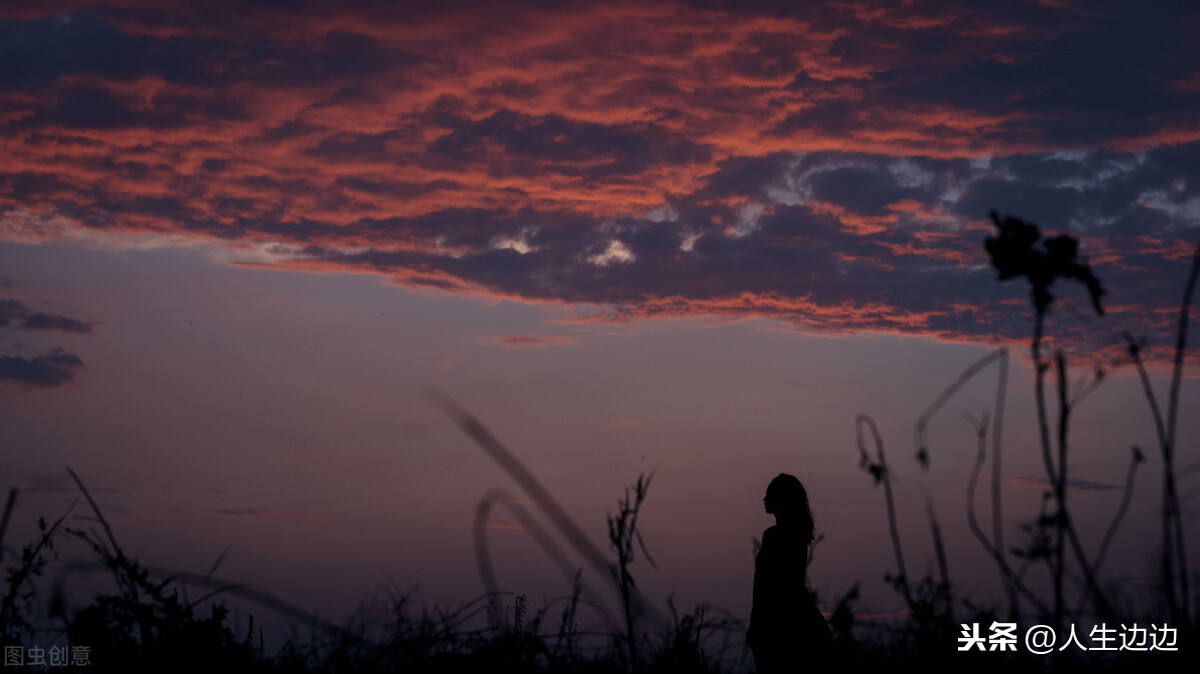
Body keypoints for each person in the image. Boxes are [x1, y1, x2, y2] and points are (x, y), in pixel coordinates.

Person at [747, 473, 834, 672]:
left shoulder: (773, 535)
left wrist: (756, 620)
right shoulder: (798, 537)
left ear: (781, 497)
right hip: (800, 615)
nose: (764, 499)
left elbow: (762, 584)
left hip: (776, 619)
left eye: (769, 494)